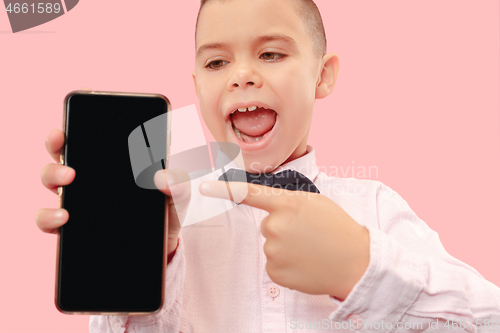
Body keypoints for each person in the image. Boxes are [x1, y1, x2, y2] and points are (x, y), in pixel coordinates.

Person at [37, 0, 500, 332]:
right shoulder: (170, 213)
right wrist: (145, 256)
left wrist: (361, 269)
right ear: (198, 87)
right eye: (217, 61)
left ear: (323, 73)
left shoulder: (375, 208)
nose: (241, 74)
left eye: (271, 53)